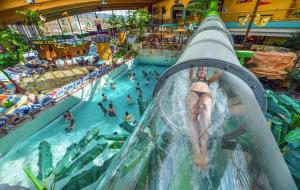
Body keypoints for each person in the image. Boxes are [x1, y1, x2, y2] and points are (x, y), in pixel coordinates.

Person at [186, 66, 222, 169]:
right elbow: (191, 68)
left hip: (206, 95)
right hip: (193, 93)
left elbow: (219, 74)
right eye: (201, 69)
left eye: (205, 70)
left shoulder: (208, 81)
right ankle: (196, 151)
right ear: (198, 72)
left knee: (206, 112)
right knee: (192, 114)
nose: (203, 71)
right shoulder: (193, 78)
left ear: (206, 73)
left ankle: (204, 149)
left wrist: (219, 69)